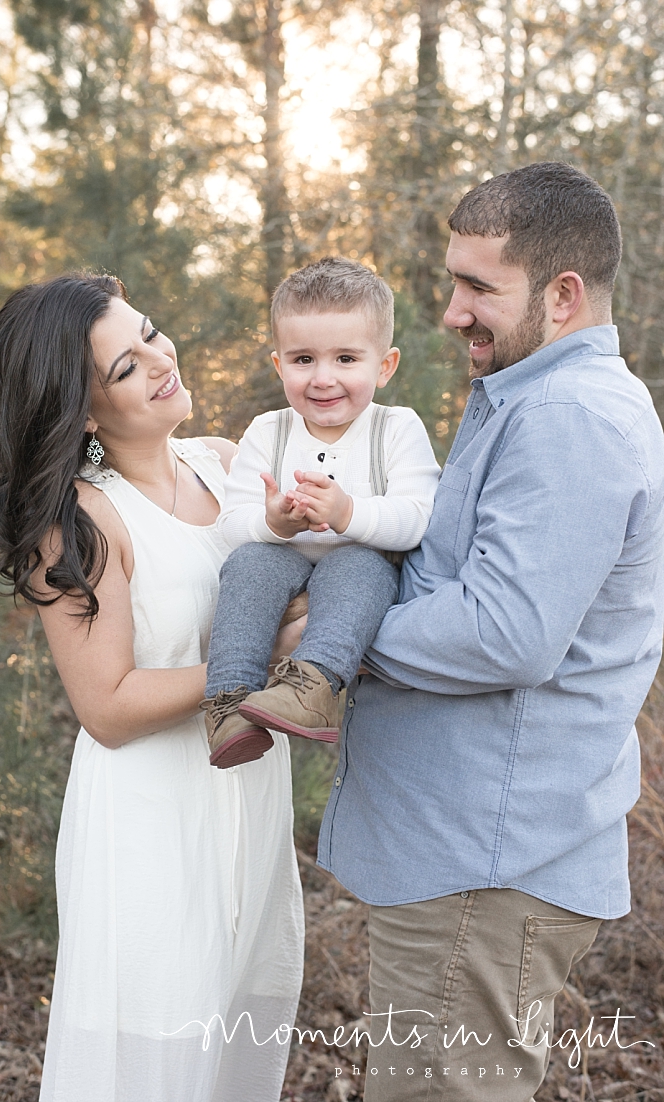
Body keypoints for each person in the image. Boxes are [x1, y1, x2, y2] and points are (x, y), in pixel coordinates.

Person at [317, 162, 664, 1100]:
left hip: (485, 869)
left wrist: (333, 637)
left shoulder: (566, 418)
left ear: (562, 294)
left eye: (479, 288)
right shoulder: (529, 394)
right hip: (470, 860)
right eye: (453, 281)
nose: (452, 312)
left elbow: (505, 631)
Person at [0, 273, 304, 1102]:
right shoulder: (82, 522)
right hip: (154, 817)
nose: (161, 359)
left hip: (247, 790)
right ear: (83, 412)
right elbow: (108, 706)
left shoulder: (227, 464)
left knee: (236, 1030)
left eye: (151, 332)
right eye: (126, 367)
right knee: (159, 1048)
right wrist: (256, 662)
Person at [201, 257, 440, 767]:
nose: (323, 378)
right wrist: (272, 522)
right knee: (249, 565)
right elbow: (227, 528)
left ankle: (311, 687)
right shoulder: (269, 431)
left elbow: (419, 516)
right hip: (280, 565)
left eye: (347, 359)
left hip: (358, 571)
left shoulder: (394, 428)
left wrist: (349, 512)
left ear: (385, 365)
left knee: (357, 562)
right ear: (279, 365)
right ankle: (229, 703)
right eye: (303, 359)